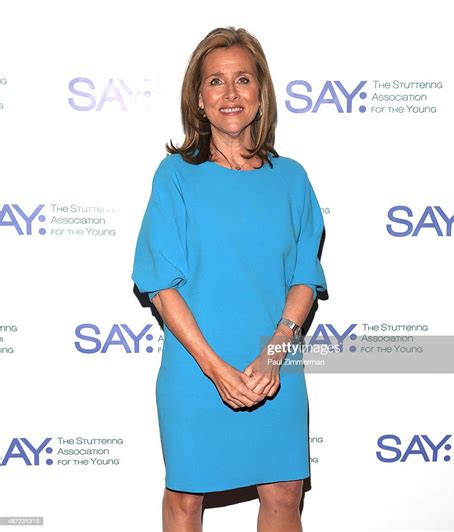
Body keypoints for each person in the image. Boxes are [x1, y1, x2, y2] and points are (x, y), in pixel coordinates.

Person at [132, 26, 328, 532]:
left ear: (261, 93)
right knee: (186, 499)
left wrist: (276, 348)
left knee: (284, 493)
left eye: (243, 79)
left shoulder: (293, 179)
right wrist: (215, 368)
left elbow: (304, 275)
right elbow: (160, 283)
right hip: (197, 367)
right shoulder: (175, 174)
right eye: (215, 82)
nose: (230, 93)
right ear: (198, 100)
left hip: (274, 364)